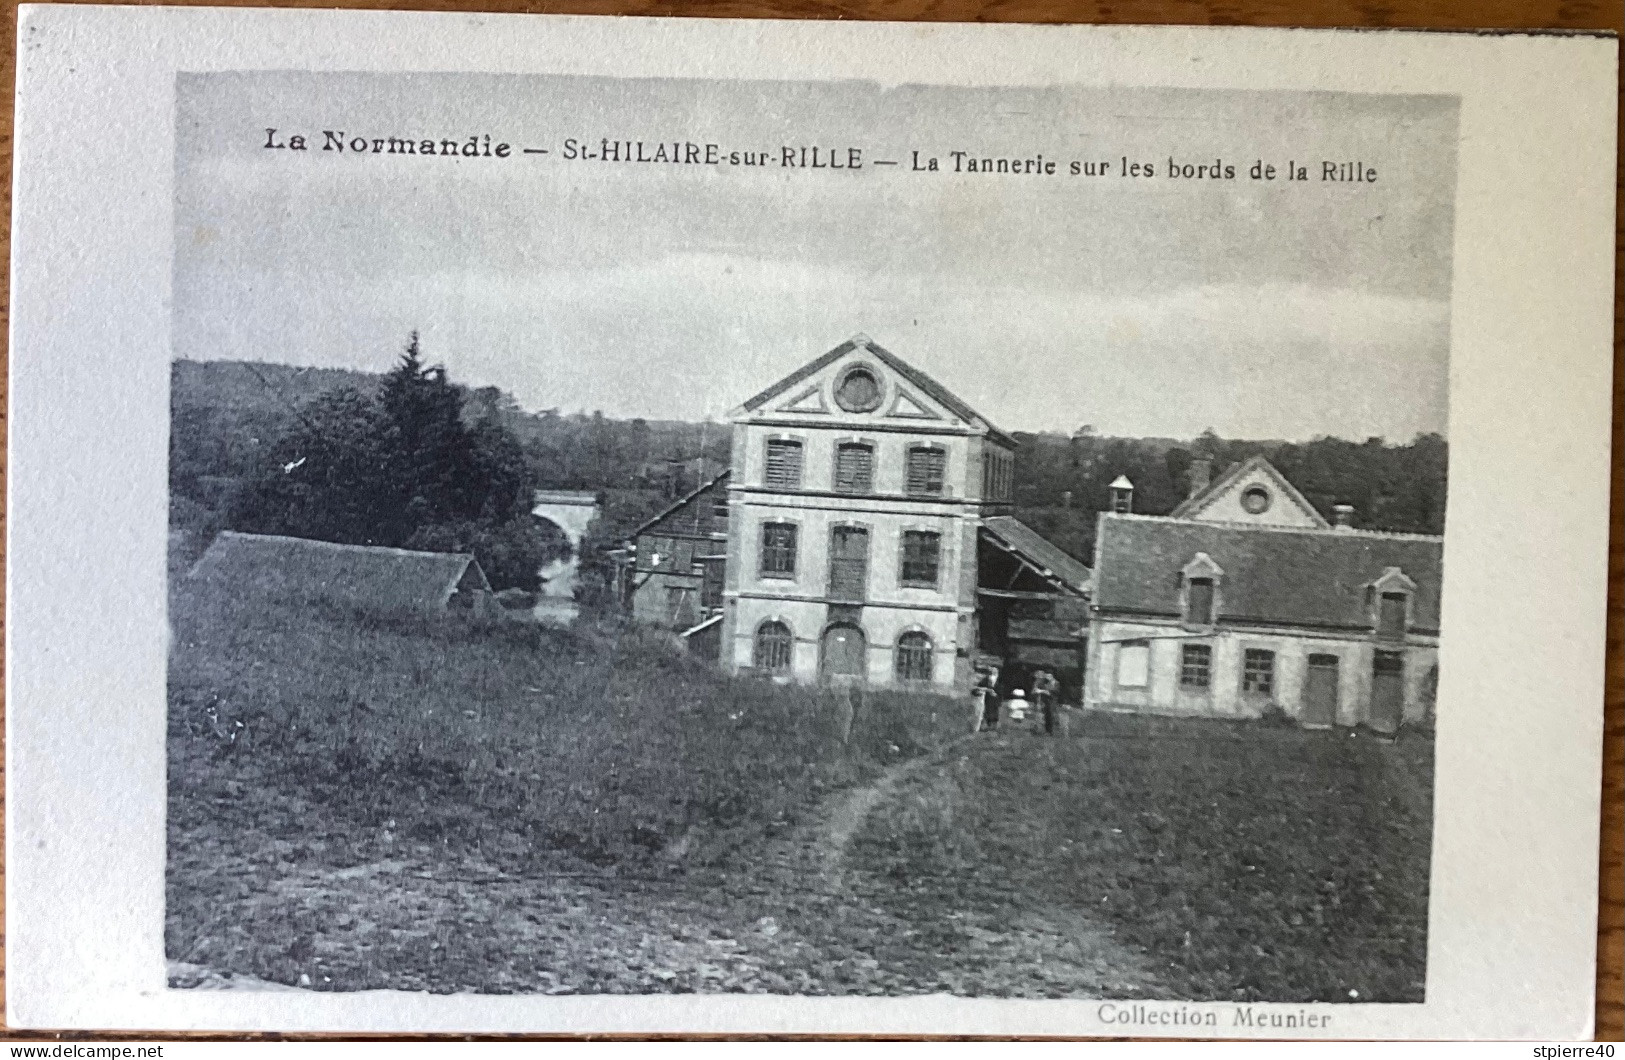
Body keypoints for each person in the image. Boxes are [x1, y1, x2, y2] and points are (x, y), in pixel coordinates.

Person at [1033, 669, 1061, 735]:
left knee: (1051, 716)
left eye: (1048, 676)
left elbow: (1052, 693)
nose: (1047, 678)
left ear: (1052, 676)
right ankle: (1047, 731)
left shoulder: (1056, 683)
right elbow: (1037, 689)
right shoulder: (1045, 683)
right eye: (1046, 676)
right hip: (1046, 702)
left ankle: (1052, 731)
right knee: (1047, 716)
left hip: (1052, 702)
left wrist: (1041, 691)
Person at [972, 666, 999, 732]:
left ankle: (993, 725)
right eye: (992, 671)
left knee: (994, 711)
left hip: (995, 698)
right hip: (986, 698)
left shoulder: (998, 680)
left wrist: (996, 694)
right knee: (986, 711)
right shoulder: (986, 679)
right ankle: (985, 725)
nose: (993, 672)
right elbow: (979, 687)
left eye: (994, 671)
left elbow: (1000, 689)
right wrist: (987, 690)